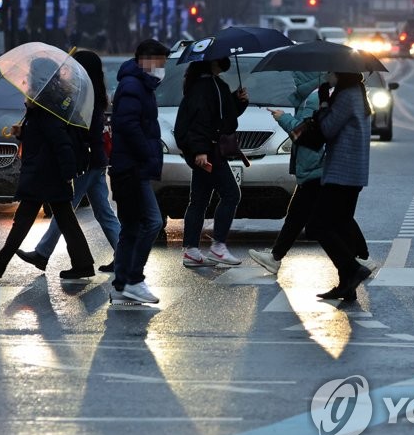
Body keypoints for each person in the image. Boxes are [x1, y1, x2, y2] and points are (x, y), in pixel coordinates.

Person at [0, 58, 95, 281]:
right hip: (46, 171)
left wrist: (68, 173)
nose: (27, 77)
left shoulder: (47, 103)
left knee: (28, 218)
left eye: (31, 72)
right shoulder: (42, 102)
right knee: (62, 219)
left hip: (45, 173)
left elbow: (59, 141)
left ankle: (1, 262)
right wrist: (25, 131)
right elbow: (45, 136)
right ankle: (82, 263)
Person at [16, 50, 121, 273]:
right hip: (96, 159)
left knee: (64, 208)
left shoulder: (83, 96)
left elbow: (75, 129)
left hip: (87, 161)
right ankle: (125, 256)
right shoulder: (95, 94)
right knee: (101, 212)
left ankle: (43, 252)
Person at [108, 39, 170, 305]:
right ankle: (133, 279)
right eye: (160, 63)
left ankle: (122, 285)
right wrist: (147, 153)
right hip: (131, 167)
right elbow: (128, 125)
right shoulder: (133, 86)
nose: (161, 69)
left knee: (132, 227)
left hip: (131, 166)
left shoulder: (140, 85)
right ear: (146, 60)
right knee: (152, 222)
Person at [249, 71, 327, 275]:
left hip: (313, 166)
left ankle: (358, 259)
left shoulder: (313, 98)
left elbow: (305, 134)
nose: (292, 81)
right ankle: (275, 256)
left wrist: (283, 119)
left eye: (295, 77)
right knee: (299, 216)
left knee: (324, 220)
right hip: (314, 166)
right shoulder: (314, 96)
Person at [305, 73, 374, 300]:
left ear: (340, 73)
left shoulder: (347, 95)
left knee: (318, 225)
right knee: (340, 224)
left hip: (342, 173)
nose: (327, 75)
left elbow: (327, 129)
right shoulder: (356, 93)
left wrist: (324, 102)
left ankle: (353, 269)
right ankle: (347, 285)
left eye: (331, 71)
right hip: (352, 173)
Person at [174, 57, 248, 267]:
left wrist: (238, 100)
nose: (225, 62)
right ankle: (218, 246)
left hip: (208, 150)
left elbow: (223, 115)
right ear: (212, 63)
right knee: (231, 194)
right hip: (209, 151)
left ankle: (192, 250)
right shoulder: (204, 87)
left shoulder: (213, 84)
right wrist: (200, 150)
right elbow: (200, 121)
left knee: (199, 200)